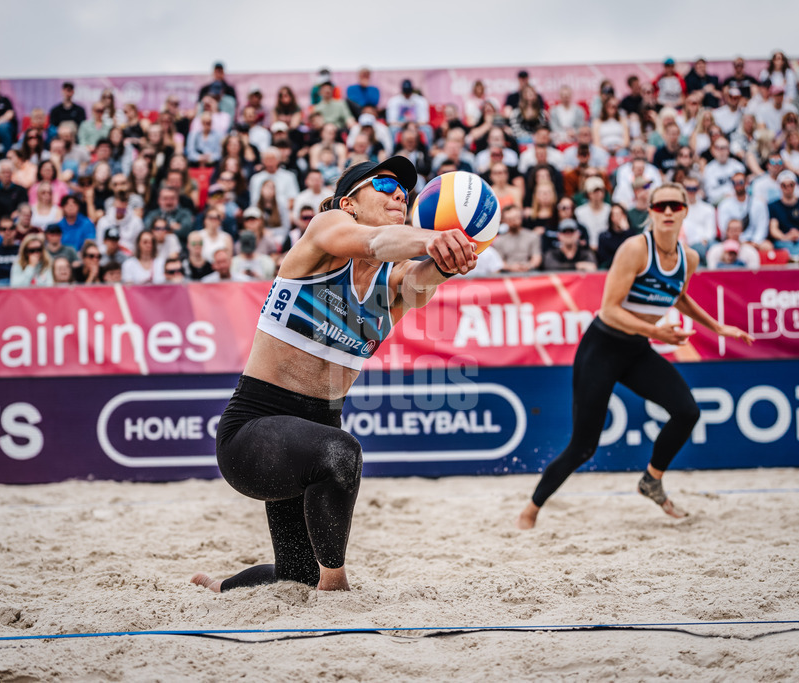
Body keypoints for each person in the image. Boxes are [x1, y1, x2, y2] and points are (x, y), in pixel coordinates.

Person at [190, 157, 476, 593]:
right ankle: (336, 586)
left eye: (404, 190)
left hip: (305, 449)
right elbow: (377, 242)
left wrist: (454, 254)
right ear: (349, 203)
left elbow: (424, 275)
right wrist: (436, 239)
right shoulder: (325, 230)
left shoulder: (392, 285)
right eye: (383, 184)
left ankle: (224, 588)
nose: (399, 193)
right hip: (251, 437)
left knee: (294, 574)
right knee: (342, 452)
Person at [517, 183, 754, 530]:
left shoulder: (690, 257)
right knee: (584, 447)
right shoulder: (634, 249)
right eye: (661, 206)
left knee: (687, 412)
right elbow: (610, 311)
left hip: (636, 349)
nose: (669, 211)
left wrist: (716, 327)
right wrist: (658, 332)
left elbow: (678, 295)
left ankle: (651, 480)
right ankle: (531, 509)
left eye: (675, 205)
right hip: (602, 347)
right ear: (651, 213)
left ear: (686, 210)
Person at [492, 205, 541, 273]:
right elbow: (498, 262)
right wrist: (510, 267)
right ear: (503, 220)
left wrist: (529, 266)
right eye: (510, 219)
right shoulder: (499, 241)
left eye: (516, 217)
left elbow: (536, 258)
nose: (514, 221)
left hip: (529, 273)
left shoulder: (532, 236)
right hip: (508, 274)